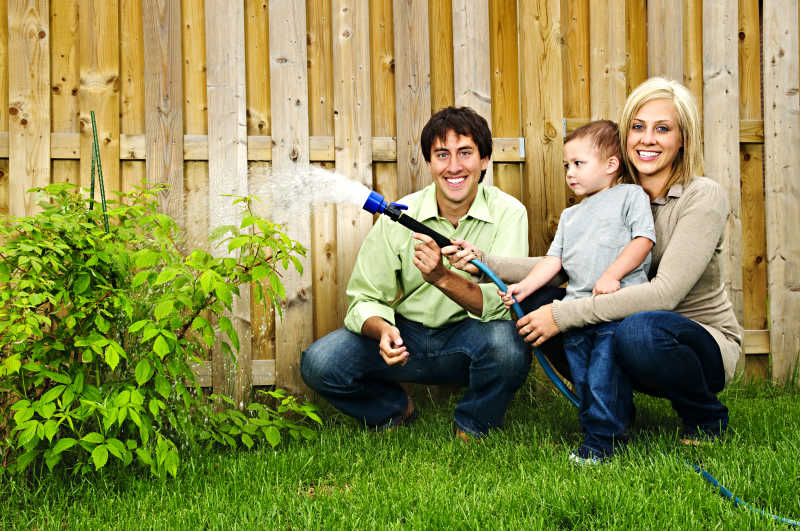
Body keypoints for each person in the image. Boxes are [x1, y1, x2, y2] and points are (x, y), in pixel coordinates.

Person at [447, 78, 742, 450]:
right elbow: (568, 262)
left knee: (636, 329)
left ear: (684, 139)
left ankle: (704, 416)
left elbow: (665, 293)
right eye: (638, 127)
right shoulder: (614, 198)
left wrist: (563, 315)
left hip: (694, 340)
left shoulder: (702, 196)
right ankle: (614, 411)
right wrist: (483, 262)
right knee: (537, 302)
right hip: (629, 328)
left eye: (662, 128)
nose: (647, 138)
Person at [301, 106, 531, 439]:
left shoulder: (509, 213)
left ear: (484, 161)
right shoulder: (399, 218)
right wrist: (381, 330)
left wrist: (442, 277)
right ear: (429, 163)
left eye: (465, 153)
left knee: (511, 345)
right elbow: (365, 297)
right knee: (320, 363)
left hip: (468, 339)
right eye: (442, 154)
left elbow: (499, 305)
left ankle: (473, 424)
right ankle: (393, 410)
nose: (453, 166)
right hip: (405, 338)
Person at [498, 120, 655, 464]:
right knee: (584, 379)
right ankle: (614, 425)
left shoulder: (630, 196)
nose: (570, 172)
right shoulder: (570, 216)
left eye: (579, 164)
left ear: (611, 166)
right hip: (575, 313)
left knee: (602, 376)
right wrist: (524, 286)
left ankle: (600, 444)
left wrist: (614, 274)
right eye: (566, 165)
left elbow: (644, 240)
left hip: (615, 311)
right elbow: (554, 261)